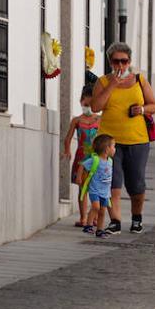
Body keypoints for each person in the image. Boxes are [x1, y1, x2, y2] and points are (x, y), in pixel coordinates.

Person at [90, 42, 155, 234]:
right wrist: (112, 84)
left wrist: (142, 110)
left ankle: (137, 218)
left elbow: (154, 105)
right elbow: (96, 106)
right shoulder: (103, 82)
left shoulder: (139, 80)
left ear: (129, 61)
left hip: (137, 139)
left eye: (124, 61)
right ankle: (116, 220)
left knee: (136, 183)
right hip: (109, 141)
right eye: (116, 61)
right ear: (110, 62)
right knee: (111, 181)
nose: (120, 65)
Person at [61, 84, 102, 225]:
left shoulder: (100, 120)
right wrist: (67, 150)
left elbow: (105, 138)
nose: (87, 107)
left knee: (95, 188)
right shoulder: (76, 120)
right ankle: (83, 218)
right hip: (81, 157)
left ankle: (95, 217)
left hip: (96, 158)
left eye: (90, 104)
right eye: (85, 104)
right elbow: (67, 138)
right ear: (81, 102)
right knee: (83, 188)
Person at [78, 133, 116, 236]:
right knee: (96, 207)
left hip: (105, 192)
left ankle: (100, 230)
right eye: (113, 146)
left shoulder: (110, 161)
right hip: (95, 190)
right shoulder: (95, 160)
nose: (115, 149)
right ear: (107, 149)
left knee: (102, 211)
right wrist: (79, 177)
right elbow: (82, 165)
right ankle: (88, 226)